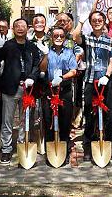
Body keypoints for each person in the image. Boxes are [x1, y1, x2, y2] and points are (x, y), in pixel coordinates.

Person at [0, 18, 46, 163]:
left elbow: (37, 65)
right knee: (7, 120)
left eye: (23, 26)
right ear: (13, 28)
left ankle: (22, 144)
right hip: (10, 87)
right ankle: (6, 149)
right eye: (17, 26)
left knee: (26, 119)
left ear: (27, 29)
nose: (20, 28)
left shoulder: (32, 47)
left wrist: (32, 78)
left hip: (28, 88)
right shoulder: (7, 45)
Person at [72, 10, 112, 163]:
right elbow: (75, 36)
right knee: (89, 114)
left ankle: (109, 145)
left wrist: (107, 75)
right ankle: (88, 146)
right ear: (91, 23)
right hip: (90, 81)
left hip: (106, 82)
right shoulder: (87, 39)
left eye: (100, 20)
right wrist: (81, 22)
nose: (97, 22)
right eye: (94, 20)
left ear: (104, 22)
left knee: (109, 115)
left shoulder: (110, 41)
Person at [42, 26, 78, 163]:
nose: (58, 38)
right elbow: (42, 69)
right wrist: (45, 55)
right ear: (51, 37)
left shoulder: (69, 52)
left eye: (61, 36)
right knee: (48, 121)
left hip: (64, 90)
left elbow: (73, 71)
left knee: (65, 121)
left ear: (65, 38)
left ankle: (64, 151)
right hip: (49, 90)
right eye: (55, 35)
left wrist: (62, 78)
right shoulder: (46, 51)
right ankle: (50, 152)